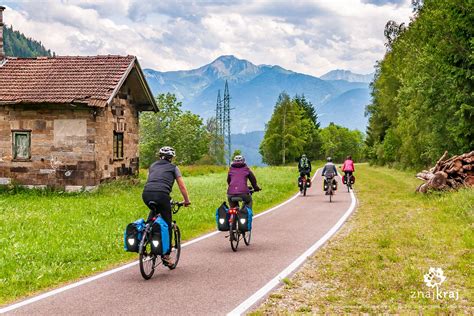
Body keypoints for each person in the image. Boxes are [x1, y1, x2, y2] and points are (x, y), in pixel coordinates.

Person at [142, 146, 191, 266]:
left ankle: (144, 242)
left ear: (159, 156)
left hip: (146, 194)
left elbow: (150, 181)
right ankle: (166, 256)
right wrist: (186, 200)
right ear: (171, 158)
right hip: (162, 195)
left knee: (151, 219)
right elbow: (182, 186)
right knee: (167, 224)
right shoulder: (174, 168)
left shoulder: (152, 166)